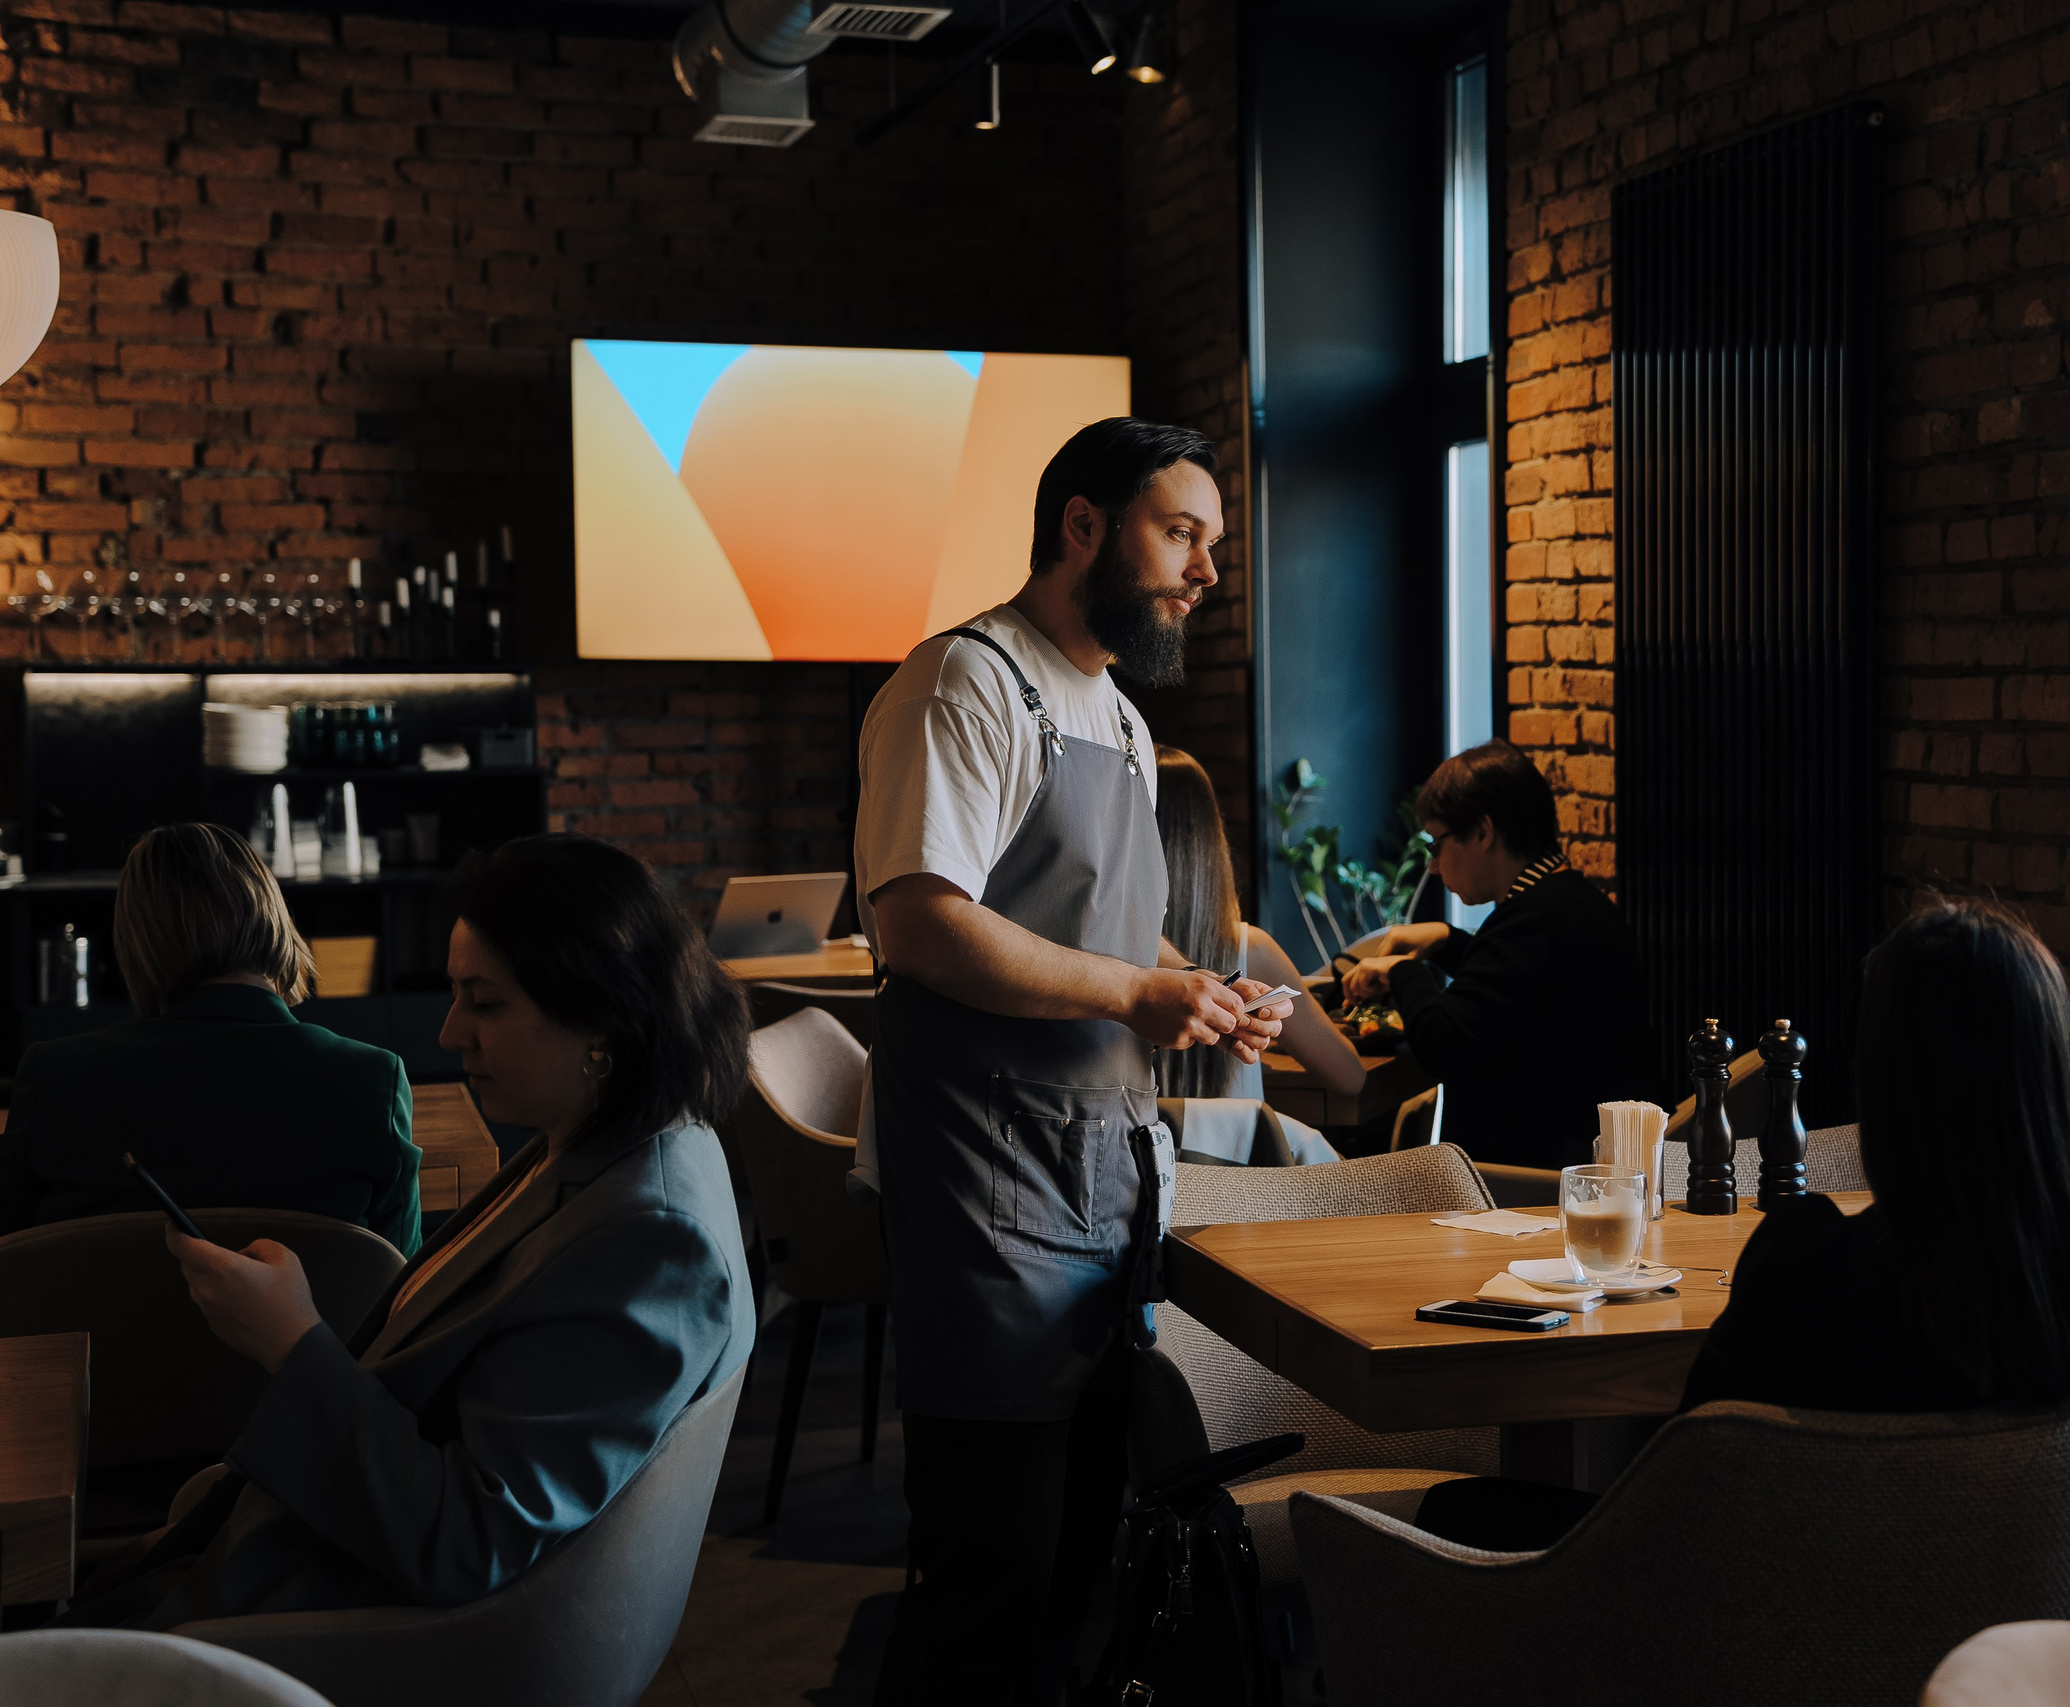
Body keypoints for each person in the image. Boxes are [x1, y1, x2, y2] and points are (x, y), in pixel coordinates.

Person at [856, 418, 1289, 1703]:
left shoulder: (1113, 711)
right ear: (1082, 528)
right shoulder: (966, 683)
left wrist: (1199, 992)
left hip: (1104, 1181)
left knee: (1075, 1570)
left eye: (1212, 544)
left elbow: (1098, 924)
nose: (1207, 571)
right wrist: (1136, 990)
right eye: (1182, 534)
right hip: (986, 1182)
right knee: (988, 1577)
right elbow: (919, 920)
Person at [64, 833, 755, 1625]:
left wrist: (291, 1341)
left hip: (315, 1616)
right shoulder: (595, 1142)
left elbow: (465, 1539)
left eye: (486, 1001)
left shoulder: (650, 1234)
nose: (449, 1031)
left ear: (601, 1014)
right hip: (294, 1542)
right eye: (455, 993)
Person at [1416, 899, 2070, 1549]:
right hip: (1994, 1649)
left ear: (1890, 1079)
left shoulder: (1814, 1265)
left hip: (1736, 1635)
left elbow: (1691, 1460)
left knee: (1458, 1509)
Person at [1, 822, 420, 1255]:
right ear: (272, 915)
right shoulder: (372, 1081)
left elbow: (10, 1269)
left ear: (137, 942)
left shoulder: (55, 1077)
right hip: (319, 1325)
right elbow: (404, 1284)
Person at [1340, 739, 1657, 1167]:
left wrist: (1403, 971)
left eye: (1437, 844)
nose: (1433, 866)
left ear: (1483, 832)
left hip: (1533, 1184)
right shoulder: (1567, 900)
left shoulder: (1532, 920)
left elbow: (1446, 1045)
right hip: (1571, 1160)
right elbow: (1520, 991)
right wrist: (1447, 941)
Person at [1154, 744, 1363, 1101]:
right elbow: (1350, 1078)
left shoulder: (1104, 952)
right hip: (1236, 1157)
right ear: (1209, 840)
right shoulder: (1253, 950)